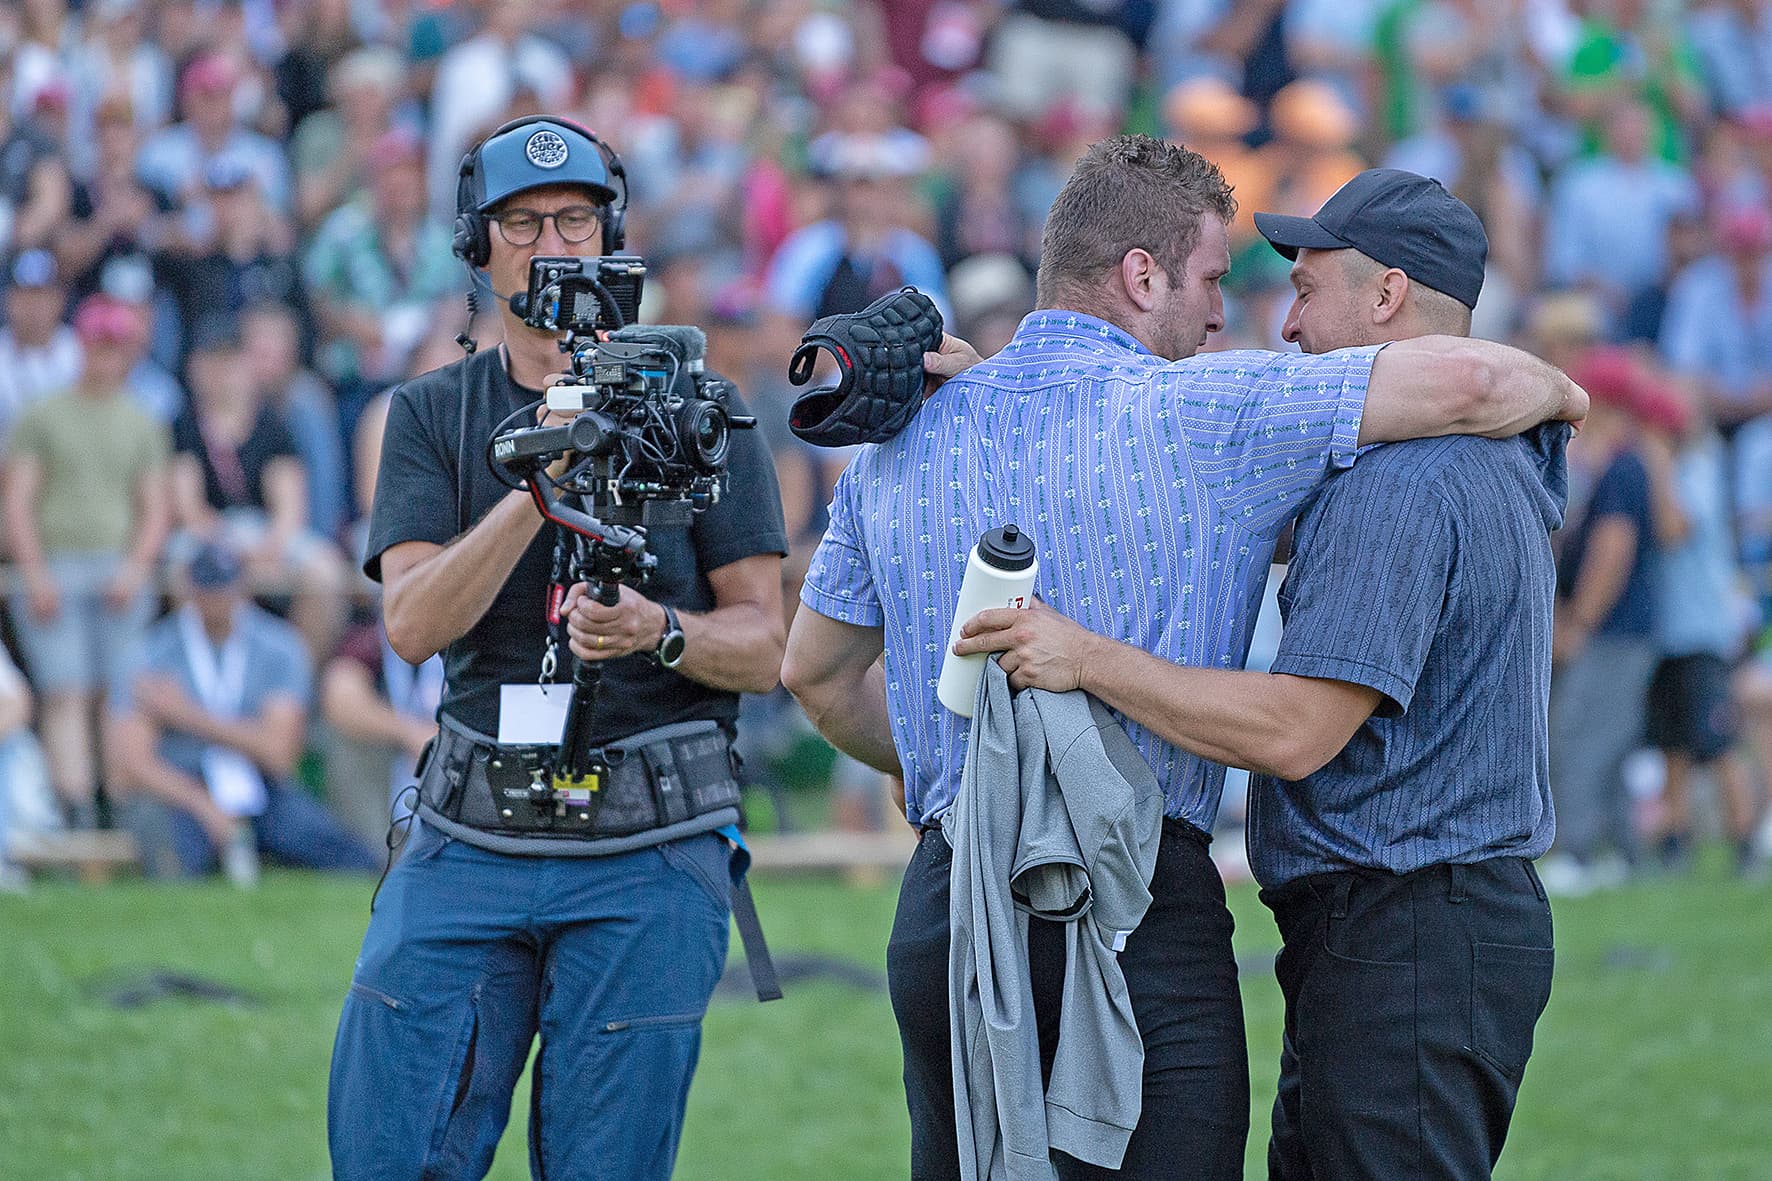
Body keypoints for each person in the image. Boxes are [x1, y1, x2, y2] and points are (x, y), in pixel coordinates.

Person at [783, 138, 1585, 1180]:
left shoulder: (910, 432)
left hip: (951, 896)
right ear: (1140, 274)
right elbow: (1475, 376)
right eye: (1211, 280)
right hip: (1131, 899)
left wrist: (966, 766)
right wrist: (1570, 393)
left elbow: (813, 673)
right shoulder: (1207, 411)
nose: (1230, 316)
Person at [326, 116, 787, 1181]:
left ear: (611, 235)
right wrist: (541, 484)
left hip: (650, 839)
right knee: (389, 1144)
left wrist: (655, 630)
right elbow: (410, 621)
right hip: (470, 831)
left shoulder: (701, 408)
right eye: (522, 223)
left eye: (575, 219)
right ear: (475, 248)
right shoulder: (432, 412)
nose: (552, 245)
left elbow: (764, 645)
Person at [108, 540, 379, 879]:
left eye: (224, 587)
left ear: (243, 587)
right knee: (173, 865)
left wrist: (186, 716)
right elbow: (132, 765)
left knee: (350, 858)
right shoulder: (149, 653)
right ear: (189, 589)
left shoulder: (279, 647)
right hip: (181, 788)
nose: (217, 599)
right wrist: (201, 803)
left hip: (257, 784)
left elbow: (280, 754)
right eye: (208, 588)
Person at [3, 294, 170, 830]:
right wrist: (34, 573)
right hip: (57, 566)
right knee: (65, 691)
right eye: (98, 345)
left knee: (116, 693)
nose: (106, 357)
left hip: (118, 567)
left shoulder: (142, 420)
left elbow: (155, 508)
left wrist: (136, 567)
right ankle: (75, 805)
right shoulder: (43, 415)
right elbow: (19, 503)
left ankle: (114, 804)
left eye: (116, 347)